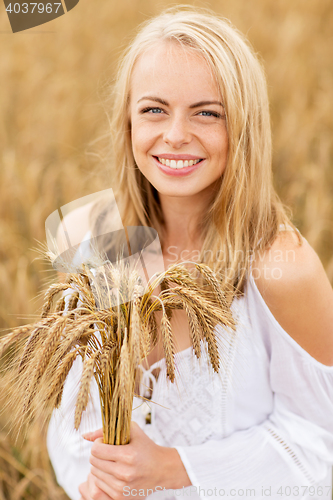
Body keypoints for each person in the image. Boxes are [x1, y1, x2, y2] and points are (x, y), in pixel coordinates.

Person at [47, 6, 333, 500]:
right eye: (154, 109)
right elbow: (67, 418)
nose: (175, 134)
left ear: (243, 125)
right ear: (128, 122)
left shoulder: (278, 265)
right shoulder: (91, 234)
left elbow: (321, 448)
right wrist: (92, 481)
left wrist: (173, 467)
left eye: (207, 112)